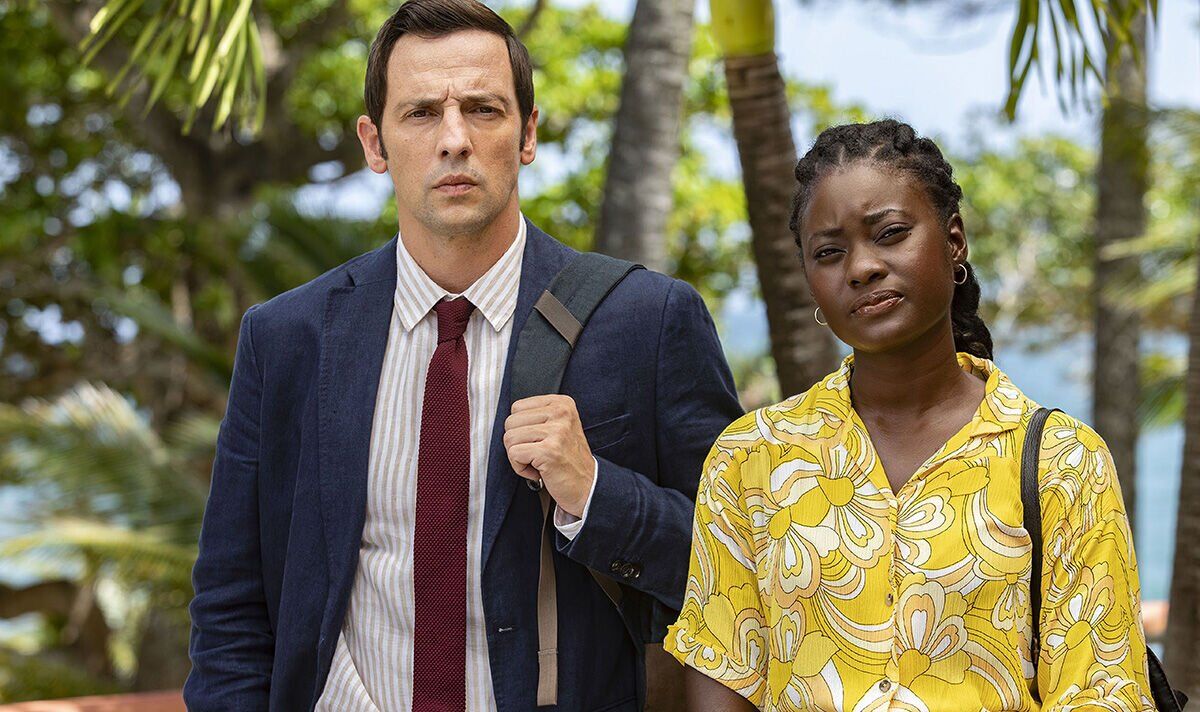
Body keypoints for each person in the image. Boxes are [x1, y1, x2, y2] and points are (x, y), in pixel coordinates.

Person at [183, 1, 742, 709]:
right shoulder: (288, 338)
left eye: (483, 110)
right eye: (421, 113)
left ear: (527, 133)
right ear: (374, 144)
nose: (454, 140)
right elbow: (231, 607)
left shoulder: (647, 321)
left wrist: (595, 494)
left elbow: (739, 570)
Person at [666, 119, 1157, 711]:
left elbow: (1103, 692)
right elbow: (724, 676)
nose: (861, 267)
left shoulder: (1063, 461)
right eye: (829, 253)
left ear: (954, 241)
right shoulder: (751, 458)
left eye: (891, 233)